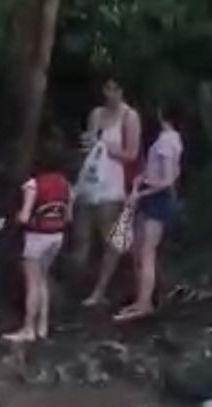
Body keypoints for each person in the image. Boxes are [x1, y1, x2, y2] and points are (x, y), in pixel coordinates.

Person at [113, 101, 184, 322]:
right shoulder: (174, 139)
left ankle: (144, 304)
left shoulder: (165, 141)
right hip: (153, 195)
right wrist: (141, 180)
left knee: (147, 253)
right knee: (141, 251)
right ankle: (141, 299)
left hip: (156, 198)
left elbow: (168, 178)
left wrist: (141, 193)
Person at [75, 75, 142, 306]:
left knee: (110, 238)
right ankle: (77, 283)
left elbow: (131, 154)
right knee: (81, 235)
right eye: (107, 88)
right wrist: (89, 145)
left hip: (113, 185)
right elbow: (89, 144)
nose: (109, 93)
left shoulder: (129, 117)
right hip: (90, 181)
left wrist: (108, 148)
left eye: (115, 88)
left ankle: (101, 289)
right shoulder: (96, 114)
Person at [5, 139, 73, 343]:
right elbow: (69, 217)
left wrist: (15, 218)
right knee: (43, 280)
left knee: (32, 283)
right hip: (56, 237)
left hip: (36, 237)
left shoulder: (33, 185)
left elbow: (25, 217)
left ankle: (28, 329)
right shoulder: (66, 184)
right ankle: (42, 326)